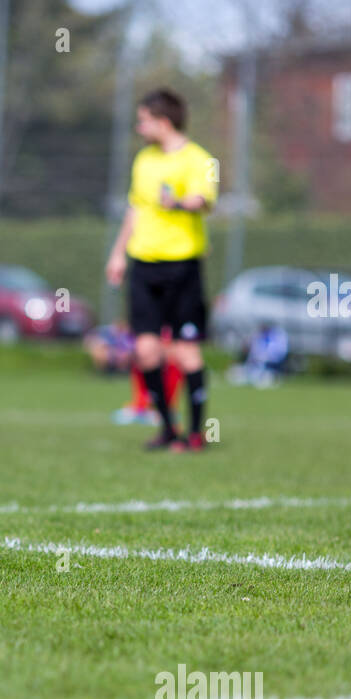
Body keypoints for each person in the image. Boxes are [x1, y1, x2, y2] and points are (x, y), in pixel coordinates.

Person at [105, 88, 216, 452]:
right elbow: (135, 209)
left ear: (164, 122)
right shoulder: (144, 161)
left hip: (182, 265)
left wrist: (180, 203)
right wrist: (118, 254)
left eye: (144, 121)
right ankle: (169, 429)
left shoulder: (198, 159)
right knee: (146, 351)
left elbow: (204, 199)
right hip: (144, 265)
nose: (140, 127)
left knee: (186, 353)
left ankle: (196, 434)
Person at [228, 322, 289, 388]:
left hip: (268, 364)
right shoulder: (257, 338)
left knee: (260, 375)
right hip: (255, 363)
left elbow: (277, 354)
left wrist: (263, 358)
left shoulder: (276, 338)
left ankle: (269, 377)